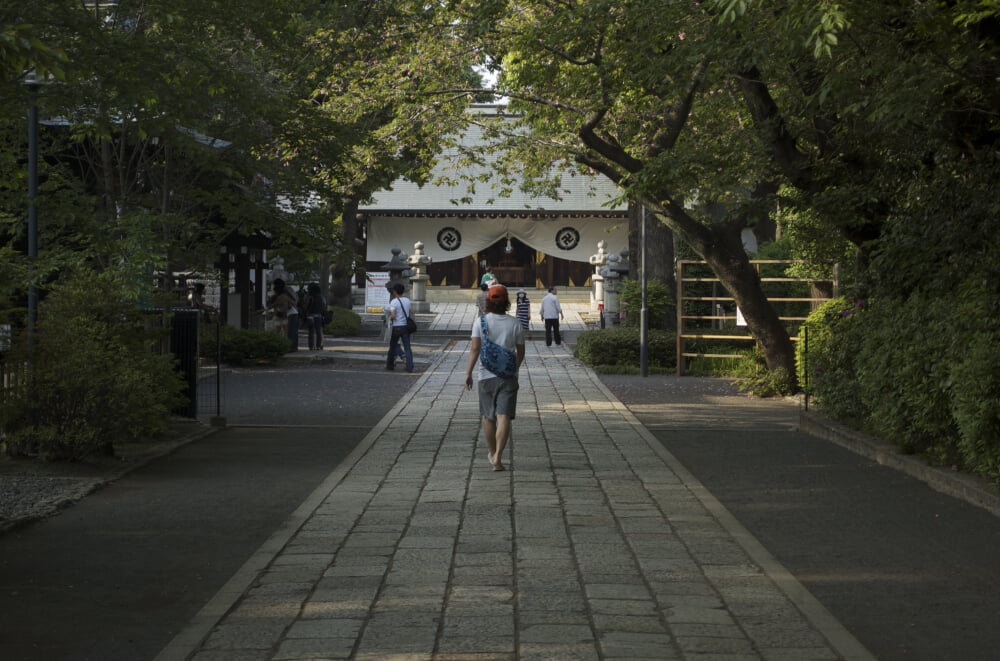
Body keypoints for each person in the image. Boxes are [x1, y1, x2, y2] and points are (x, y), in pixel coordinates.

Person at [465, 284, 525, 471]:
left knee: (489, 417)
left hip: (485, 375)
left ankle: (492, 452)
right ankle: (498, 456)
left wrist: (468, 373)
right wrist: (513, 369)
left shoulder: (480, 322)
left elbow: (475, 349)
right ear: (507, 301)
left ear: (489, 301)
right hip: (508, 376)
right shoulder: (515, 323)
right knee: (504, 416)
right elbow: (520, 352)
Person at [385, 282, 414, 372]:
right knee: (407, 347)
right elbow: (409, 313)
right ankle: (409, 366)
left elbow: (393, 315)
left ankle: (390, 365)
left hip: (397, 326)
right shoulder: (407, 300)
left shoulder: (394, 301)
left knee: (392, 346)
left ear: (394, 292)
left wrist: (391, 318)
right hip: (405, 326)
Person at [269, 278, 299, 351]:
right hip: (294, 311)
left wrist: (281, 312)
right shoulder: (288, 290)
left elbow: (284, 305)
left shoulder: (283, 293)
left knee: (290, 332)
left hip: (290, 313)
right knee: (292, 331)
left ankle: (291, 347)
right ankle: (294, 347)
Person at [304, 283, 327, 351]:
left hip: (310, 316)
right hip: (318, 315)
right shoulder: (320, 297)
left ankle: (311, 346)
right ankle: (318, 346)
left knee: (311, 331)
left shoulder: (308, 296)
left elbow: (305, 305)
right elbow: (324, 305)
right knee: (318, 331)